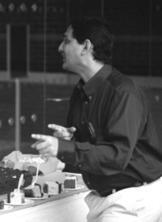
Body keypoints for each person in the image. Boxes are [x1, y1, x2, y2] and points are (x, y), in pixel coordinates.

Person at [31, 16, 162, 221]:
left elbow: (116, 156)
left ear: (86, 47)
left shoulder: (123, 93)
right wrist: (69, 142)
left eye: (66, 41)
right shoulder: (81, 91)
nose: (59, 47)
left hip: (134, 198)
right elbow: (89, 156)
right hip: (102, 198)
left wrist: (63, 148)